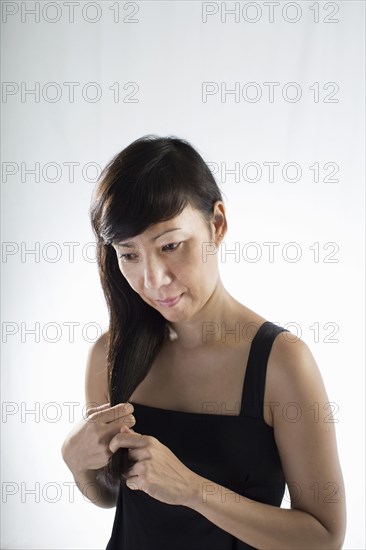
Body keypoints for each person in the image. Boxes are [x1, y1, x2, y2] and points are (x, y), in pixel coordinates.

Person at [61, 135, 346, 549]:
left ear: (217, 224)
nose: (152, 279)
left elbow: (324, 538)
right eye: (129, 254)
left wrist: (195, 491)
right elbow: (111, 496)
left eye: (170, 245)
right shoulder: (109, 355)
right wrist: (77, 464)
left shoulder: (281, 363)